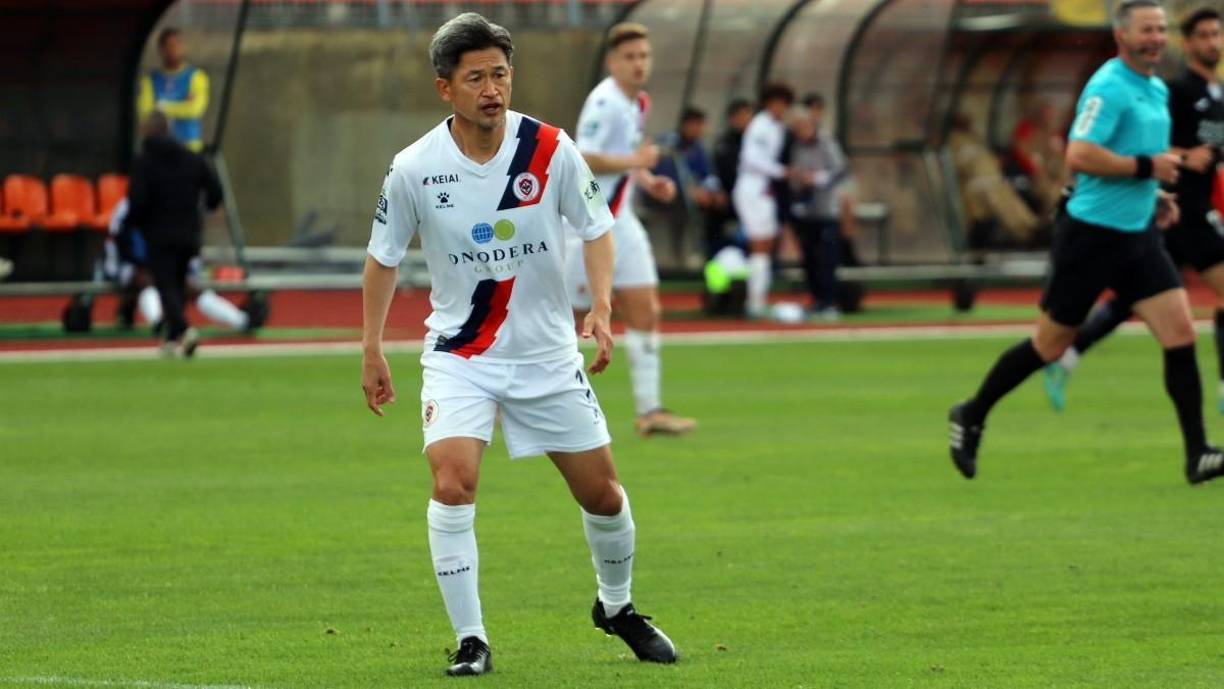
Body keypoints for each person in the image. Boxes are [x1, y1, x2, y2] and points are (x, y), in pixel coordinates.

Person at [360, 13, 677, 677]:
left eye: (500, 73)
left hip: (546, 356)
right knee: (453, 481)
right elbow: (382, 257)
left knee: (605, 496)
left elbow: (596, 227)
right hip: (460, 354)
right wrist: (372, 347)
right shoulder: (414, 168)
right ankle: (471, 638)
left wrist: (600, 310)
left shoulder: (550, 148)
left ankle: (616, 605)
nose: (491, 88)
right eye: (475, 77)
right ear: (445, 88)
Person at [947, 0, 1224, 485]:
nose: (1156, 38)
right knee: (1050, 346)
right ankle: (971, 412)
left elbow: (1135, 155)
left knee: (1180, 333)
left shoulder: (1156, 88)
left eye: (1161, 29)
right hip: (1091, 238)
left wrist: (1154, 192)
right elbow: (1080, 155)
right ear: (1122, 36)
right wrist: (1146, 169)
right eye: (1146, 30)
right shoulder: (1108, 86)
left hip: (1138, 236)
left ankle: (1198, 453)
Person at [1043, 6, 1224, 413]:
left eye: (1217, 34)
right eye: (1204, 36)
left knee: (1132, 301)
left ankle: (1068, 356)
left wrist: (1204, 157)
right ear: (1188, 43)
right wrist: (1181, 157)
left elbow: (1212, 149)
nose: (1212, 43)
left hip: (1171, 211)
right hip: (1181, 213)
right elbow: (1147, 146)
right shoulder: (1174, 91)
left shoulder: (1216, 97)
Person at [564, 22, 697, 437]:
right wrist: (635, 160)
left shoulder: (637, 102)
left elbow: (624, 160)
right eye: (629, 57)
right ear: (612, 62)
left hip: (621, 219)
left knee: (646, 308)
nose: (638, 64)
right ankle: (512, 399)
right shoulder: (604, 102)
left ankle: (650, 411)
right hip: (585, 221)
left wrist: (647, 179)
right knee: (558, 317)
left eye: (643, 56)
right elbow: (583, 157)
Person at [125, 112, 222, 357]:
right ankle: (170, 340)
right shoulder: (191, 157)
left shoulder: (144, 162)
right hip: (189, 232)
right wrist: (201, 209)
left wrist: (137, 225)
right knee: (177, 285)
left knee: (164, 283)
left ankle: (185, 330)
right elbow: (215, 191)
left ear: (147, 132)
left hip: (160, 233)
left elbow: (137, 201)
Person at [105, 198, 264, 334]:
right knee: (147, 281)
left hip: (166, 265)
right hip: (131, 266)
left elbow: (186, 244)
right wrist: (116, 270)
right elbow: (115, 241)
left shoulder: (174, 206)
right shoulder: (127, 207)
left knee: (192, 289)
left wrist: (187, 270)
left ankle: (243, 321)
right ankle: (159, 323)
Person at [785, 99, 857, 319]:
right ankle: (816, 300)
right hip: (806, 211)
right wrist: (799, 181)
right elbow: (793, 177)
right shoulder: (796, 147)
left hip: (827, 210)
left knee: (828, 259)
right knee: (808, 259)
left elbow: (840, 169)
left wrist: (816, 179)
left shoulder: (826, 143)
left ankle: (829, 301)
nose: (800, 131)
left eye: (803, 126)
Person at [732, 82, 798, 318]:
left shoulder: (777, 127)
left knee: (767, 245)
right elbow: (751, 159)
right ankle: (755, 301)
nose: (782, 108)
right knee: (760, 244)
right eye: (778, 103)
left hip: (764, 191)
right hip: (753, 189)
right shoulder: (760, 125)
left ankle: (759, 297)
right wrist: (782, 171)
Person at [654, 106, 727, 267]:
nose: (699, 130)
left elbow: (707, 173)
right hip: (664, 193)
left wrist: (713, 192)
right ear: (686, 125)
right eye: (696, 125)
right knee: (682, 204)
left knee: (718, 204)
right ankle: (679, 256)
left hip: (692, 196)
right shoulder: (669, 142)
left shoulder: (698, 147)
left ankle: (708, 254)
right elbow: (665, 174)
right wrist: (689, 190)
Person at [138, 27, 209, 153]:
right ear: (162, 50)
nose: (175, 49)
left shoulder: (196, 77)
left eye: (178, 44)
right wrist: (181, 105)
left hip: (189, 146)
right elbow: (145, 115)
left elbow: (194, 110)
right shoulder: (150, 81)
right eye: (170, 45)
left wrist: (161, 107)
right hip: (159, 149)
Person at [710, 98, 753, 256]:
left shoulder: (756, 142)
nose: (745, 120)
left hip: (752, 200)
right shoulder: (724, 143)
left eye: (748, 116)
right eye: (740, 116)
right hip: (727, 199)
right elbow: (718, 172)